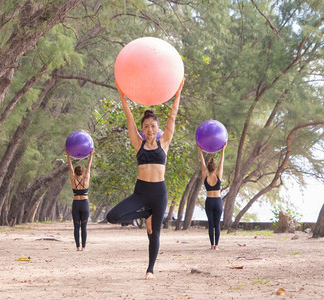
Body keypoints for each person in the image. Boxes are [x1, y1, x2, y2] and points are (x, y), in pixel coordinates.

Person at [107, 79, 184, 280]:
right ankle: (145, 214)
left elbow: (173, 117)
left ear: (157, 128)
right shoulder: (138, 143)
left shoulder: (164, 143)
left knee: (154, 234)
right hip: (141, 193)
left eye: (153, 126)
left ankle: (150, 269)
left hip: (159, 193)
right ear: (142, 129)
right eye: (146, 126)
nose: (149, 130)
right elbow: (129, 117)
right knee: (112, 217)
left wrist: (177, 94)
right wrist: (122, 96)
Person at [197, 143, 226, 250]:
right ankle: (216, 246)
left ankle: (212, 245)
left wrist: (200, 151)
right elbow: (222, 162)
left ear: (208, 168)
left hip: (209, 201)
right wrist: (223, 150)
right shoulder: (218, 176)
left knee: (211, 224)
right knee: (217, 224)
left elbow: (202, 164)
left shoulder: (205, 177)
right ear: (215, 168)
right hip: (218, 201)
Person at [65, 148, 94, 251]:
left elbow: (70, 168)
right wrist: (91, 155)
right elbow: (89, 167)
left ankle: (77, 247)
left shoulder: (73, 179)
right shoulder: (86, 178)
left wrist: (68, 157)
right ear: (82, 172)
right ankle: (83, 247)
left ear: (76, 173)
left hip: (76, 203)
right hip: (85, 203)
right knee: (84, 227)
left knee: (76, 226)